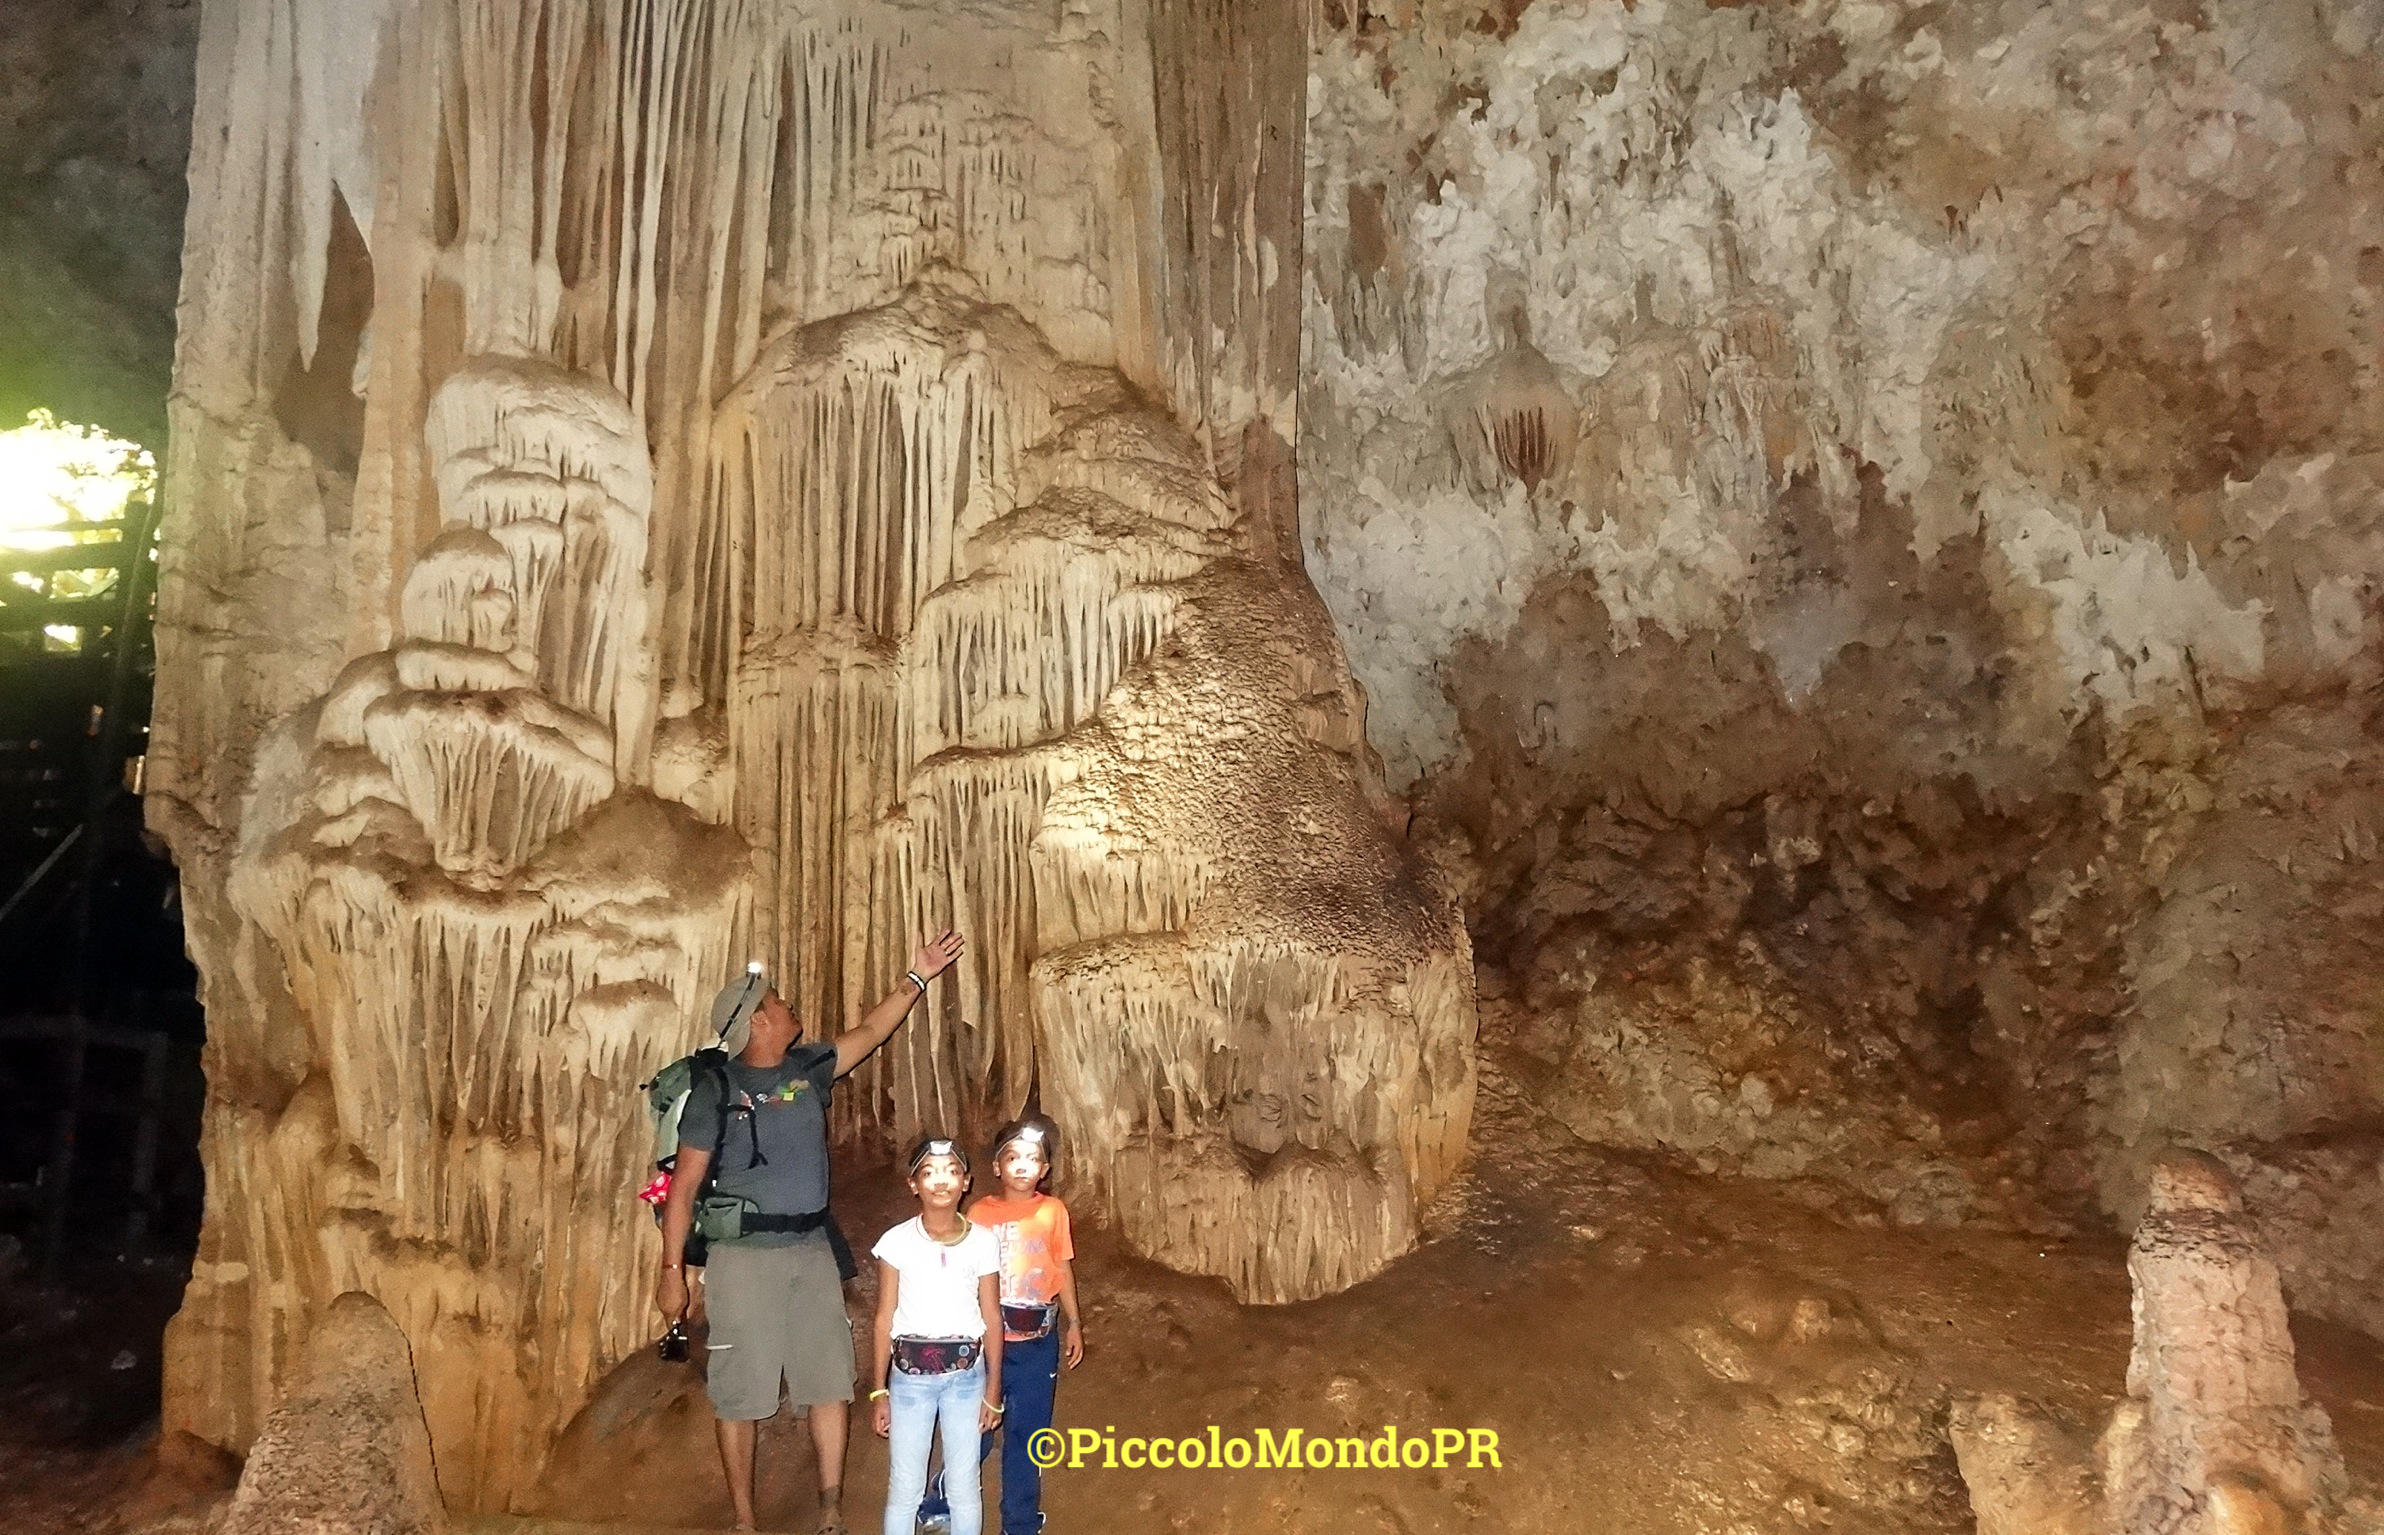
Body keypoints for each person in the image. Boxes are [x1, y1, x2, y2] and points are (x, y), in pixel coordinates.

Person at [656, 930, 967, 1535]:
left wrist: (918, 976)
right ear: (756, 1025)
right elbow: (683, 1189)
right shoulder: (717, 1092)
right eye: (774, 1003)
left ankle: (829, 1510)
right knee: (740, 1392)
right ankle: (744, 1520)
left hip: (811, 1249)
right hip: (742, 1258)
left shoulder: (809, 1069)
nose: (785, 1005)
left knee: (828, 1381)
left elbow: (872, 1033)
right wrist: (673, 1273)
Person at [915, 1116, 1083, 1535]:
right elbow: (962, 1271)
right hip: (986, 1340)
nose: (1022, 1165)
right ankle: (941, 1501)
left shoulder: (1053, 1211)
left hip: (1037, 1342)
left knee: (1028, 1436)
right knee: (976, 1427)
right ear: (997, 1167)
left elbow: (1062, 1267)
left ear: (1044, 1170)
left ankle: (1021, 1522)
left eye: (1033, 1159)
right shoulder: (980, 1213)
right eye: (1013, 1157)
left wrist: (1076, 1323)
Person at [871, 1137, 1004, 1535]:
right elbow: (883, 1319)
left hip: (967, 1377)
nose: (941, 1181)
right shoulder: (896, 1242)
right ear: (914, 1184)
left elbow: (992, 1317)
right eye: (929, 1172)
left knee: (964, 1485)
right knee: (905, 1487)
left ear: (966, 1182)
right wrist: (879, 1390)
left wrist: (993, 1390)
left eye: (951, 1171)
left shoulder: (983, 1242)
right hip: (909, 1379)